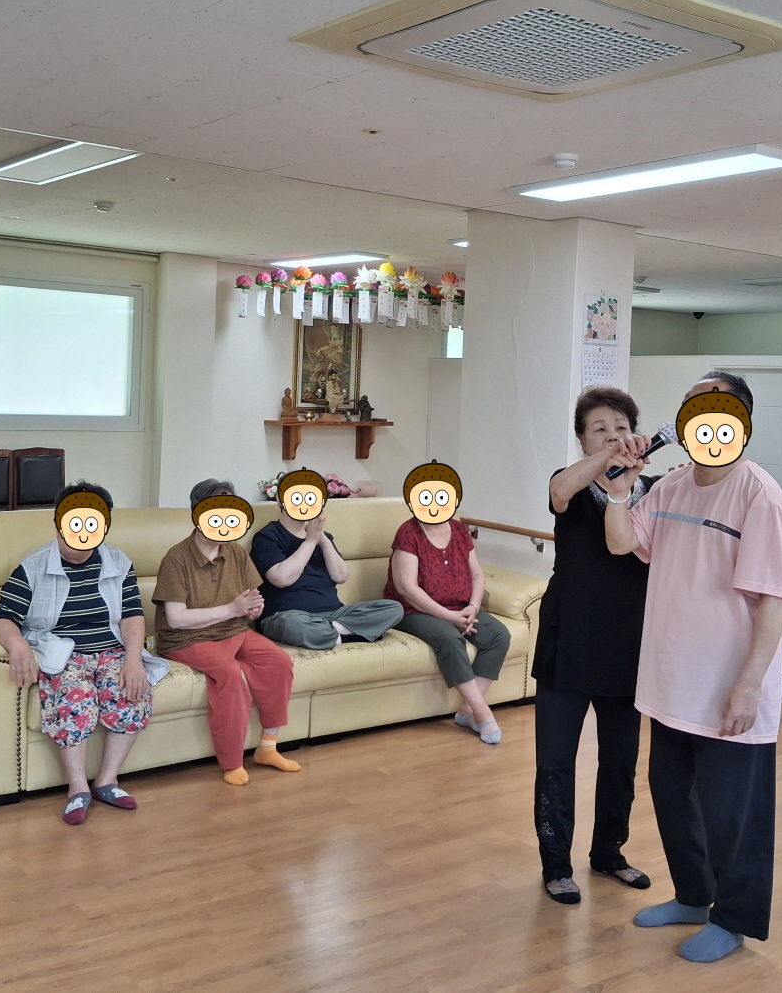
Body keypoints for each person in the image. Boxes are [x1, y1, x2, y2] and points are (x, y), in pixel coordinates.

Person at [604, 371, 782, 964]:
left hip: (727, 684)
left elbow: (773, 602)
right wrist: (619, 490)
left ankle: (734, 920)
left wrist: (748, 687)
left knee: (732, 813)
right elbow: (621, 543)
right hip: (670, 680)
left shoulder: (760, 496)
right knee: (672, 796)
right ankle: (693, 895)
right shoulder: (672, 485)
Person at [533, 386, 657, 905]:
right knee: (555, 761)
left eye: (621, 427)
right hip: (569, 637)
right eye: (599, 429)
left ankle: (609, 853)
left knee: (621, 761)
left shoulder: (650, 490)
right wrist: (609, 459)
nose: (612, 435)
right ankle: (556, 866)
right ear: (582, 440)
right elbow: (561, 489)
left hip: (628, 639)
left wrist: (629, 474)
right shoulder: (570, 483)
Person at [0, 482, 166, 825]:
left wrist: (133, 660)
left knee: (131, 691)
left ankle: (107, 781)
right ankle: (78, 788)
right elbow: (1, 617)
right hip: (62, 651)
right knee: (74, 695)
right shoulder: (33, 566)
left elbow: (132, 614)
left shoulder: (118, 562)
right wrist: (18, 645)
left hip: (111, 648)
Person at [153, 479, 301, 786]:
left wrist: (252, 608)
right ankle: (232, 762)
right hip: (187, 638)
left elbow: (251, 597)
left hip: (233, 630)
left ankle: (268, 747)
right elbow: (176, 619)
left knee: (278, 661)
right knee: (230, 675)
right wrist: (233, 609)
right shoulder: (176, 558)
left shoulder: (235, 552)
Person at [383, 460, 511, 745]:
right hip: (414, 610)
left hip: (461, 606)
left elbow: (477, 575)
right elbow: (407, 589)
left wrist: (473, 608)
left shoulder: (460, 530)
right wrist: (449, 617)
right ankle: (483, 713)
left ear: (454, 499)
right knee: (450, 639)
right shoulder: (408, 532)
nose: (433, 505)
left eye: (441, 497)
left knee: (498, 635)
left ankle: (466, 710)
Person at [251, 468, 403, 649]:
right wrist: (310, 541)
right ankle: (346, 633)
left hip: (334, 614)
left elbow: (341, 576)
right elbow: (282, 579)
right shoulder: (268, 536)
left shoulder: (324, 538)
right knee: (292, 624)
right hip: (288, 615)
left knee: (393, 608)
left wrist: (321, 539)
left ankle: (330, 633)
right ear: (280, 500)